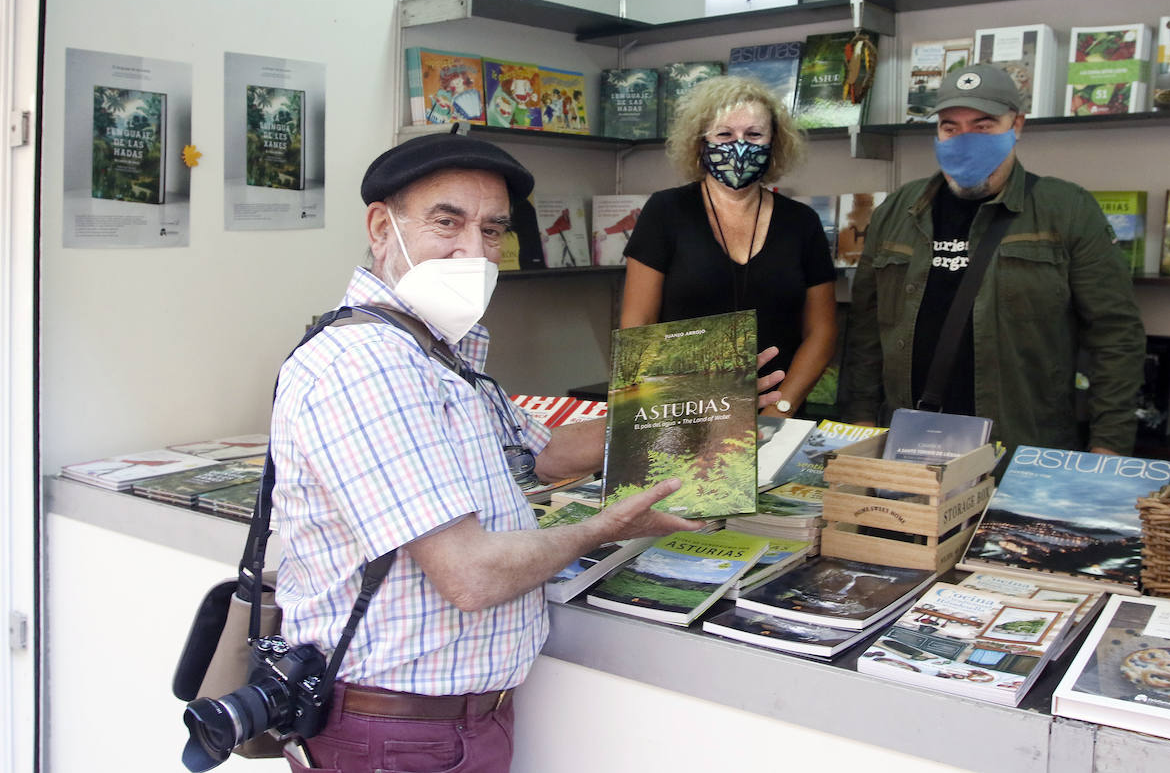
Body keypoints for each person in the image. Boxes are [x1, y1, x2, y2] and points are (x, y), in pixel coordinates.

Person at [269, 133, 784, 773]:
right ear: (382, 227)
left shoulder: (435, 353)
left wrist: (700, 403)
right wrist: (606, 527)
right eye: (446, 222)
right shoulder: (367, 365)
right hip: (396, 734)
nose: (474, 251)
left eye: (492, 231)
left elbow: (548, 456)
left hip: (446, 724)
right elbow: (472, 573)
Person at [841, 64, 1144, 455]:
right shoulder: (898, 210)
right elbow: (865, 332)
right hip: (906, 445)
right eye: (950, 127)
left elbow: (1116, 336)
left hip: (1020, 450)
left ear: (1016, 125)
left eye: (983, 126)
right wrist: (861, 422)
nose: (964, 139)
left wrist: (1110, 446)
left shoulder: (1066, 209)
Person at [621, 75, 838, 418]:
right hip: (682, 411)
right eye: (724, 134)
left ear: (774, 142)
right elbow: (639, 323)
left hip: (779, 417)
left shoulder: (802, 222)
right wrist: (667, 403)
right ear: (700, 141)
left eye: (754, 135)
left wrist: (780, 408)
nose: (740, 146)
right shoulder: (666, 211)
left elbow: (822, 330)